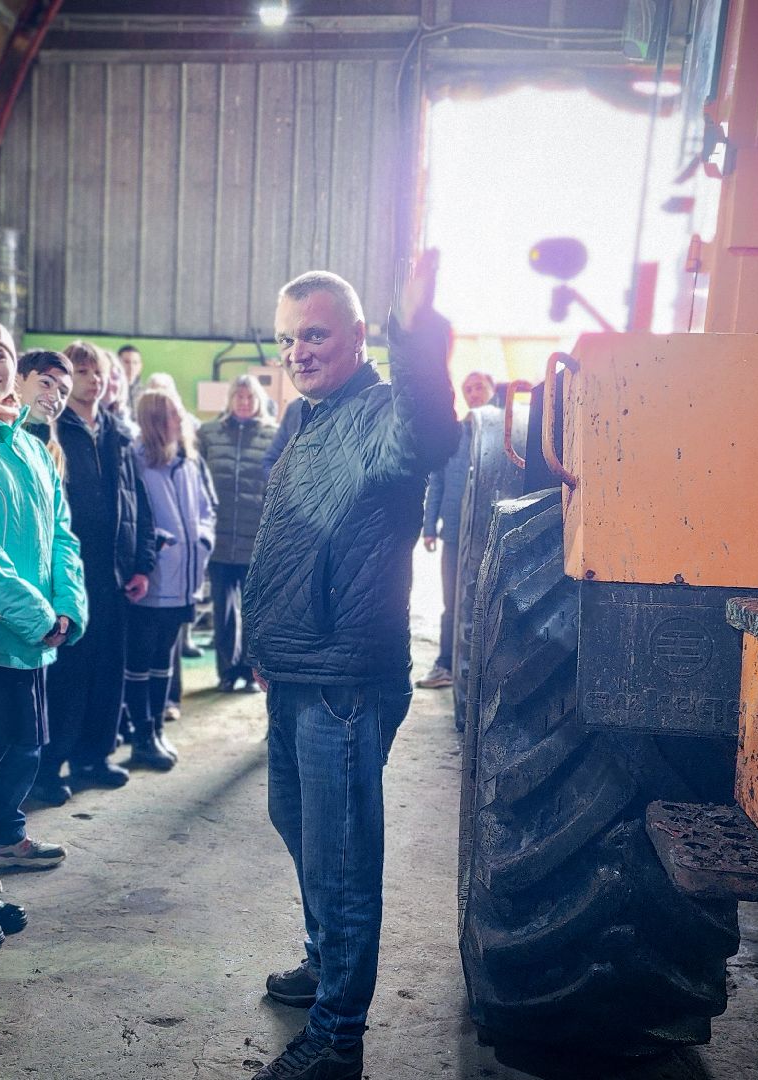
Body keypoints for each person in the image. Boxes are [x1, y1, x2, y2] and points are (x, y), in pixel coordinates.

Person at [243, 256, 457, 1080]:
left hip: (344, 681)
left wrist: (418, 335)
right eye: (286, 339)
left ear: (360, 336)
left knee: (342, 862)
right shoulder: (312, 417)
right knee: (294, 821)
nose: (297, 351)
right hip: (298, 667)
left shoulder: (378, 412)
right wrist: (266, 647)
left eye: (315, 335)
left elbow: (430, 432)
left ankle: (338, 1036)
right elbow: (291, 542)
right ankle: (323, 958)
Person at [0, 314, 87, 895]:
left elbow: (62, 535)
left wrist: (67, 607)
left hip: (37, 634)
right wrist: (36, 617)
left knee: (23, 746)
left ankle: (4, 835)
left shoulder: (31, 445)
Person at [33, 341, 155, 804]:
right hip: (69, 574)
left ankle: (95, 757)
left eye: (99, 371)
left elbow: (139, 500)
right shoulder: (50, 429)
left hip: (114, 574)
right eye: (83, 371)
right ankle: (49, 768)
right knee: (67, 676)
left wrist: (142, 563)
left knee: (108, 672)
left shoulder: (118, 432)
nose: (94, 380)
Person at [126, 389, 214, 771]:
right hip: (153, 580)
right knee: (141, 659)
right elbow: (134, 516)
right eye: (171, 415)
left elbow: (207, 509)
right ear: (154, 422)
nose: (180, 421)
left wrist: (203, 539)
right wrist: (158, 546)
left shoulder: (189, 461)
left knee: (164, 657)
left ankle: (157, 729)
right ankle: (141, 736)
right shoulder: (136, 461)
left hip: (184, 581)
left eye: (178, 414)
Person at [197, 375, 278, 692]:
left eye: (250, 397)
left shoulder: (273, 436)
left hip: (256, 539)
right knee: (223, 610)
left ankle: (250, 670)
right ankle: (227, 672)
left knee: (253, 611)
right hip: (217, 538)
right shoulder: (208, 434)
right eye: (239, 396)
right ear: (230, 399)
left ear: (259, 401)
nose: (244, 402)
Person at [416, 371, 496, 690]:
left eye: (479, 387)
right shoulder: (455, 436)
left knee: (485, 601)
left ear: (491, 390)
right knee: (452, 601)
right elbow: (437, 482)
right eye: (469, 389)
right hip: (453, 534)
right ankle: (446, 665)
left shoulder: (505, 433)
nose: (474, 393)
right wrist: (429, 527)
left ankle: (483, 672)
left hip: (490, 535)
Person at [17, 349, 72, 477]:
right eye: (46, 383)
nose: (55, 397)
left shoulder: (53, 451)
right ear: (16, 381)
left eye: (63, 393)